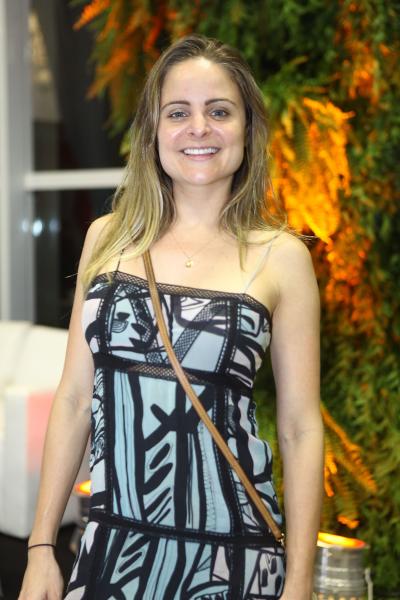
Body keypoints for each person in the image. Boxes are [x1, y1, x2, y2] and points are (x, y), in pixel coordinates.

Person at [19, 34, 324, 600]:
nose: (199, 128)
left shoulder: (281, 257)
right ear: (152, 131)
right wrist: (40, 548)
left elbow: (300, 427)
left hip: (231, 555)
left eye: (220, 111)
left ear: (248, 129)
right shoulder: (107, 239)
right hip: (113, 544)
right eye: (178, 112)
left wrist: (300, 582)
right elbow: (75, 399)